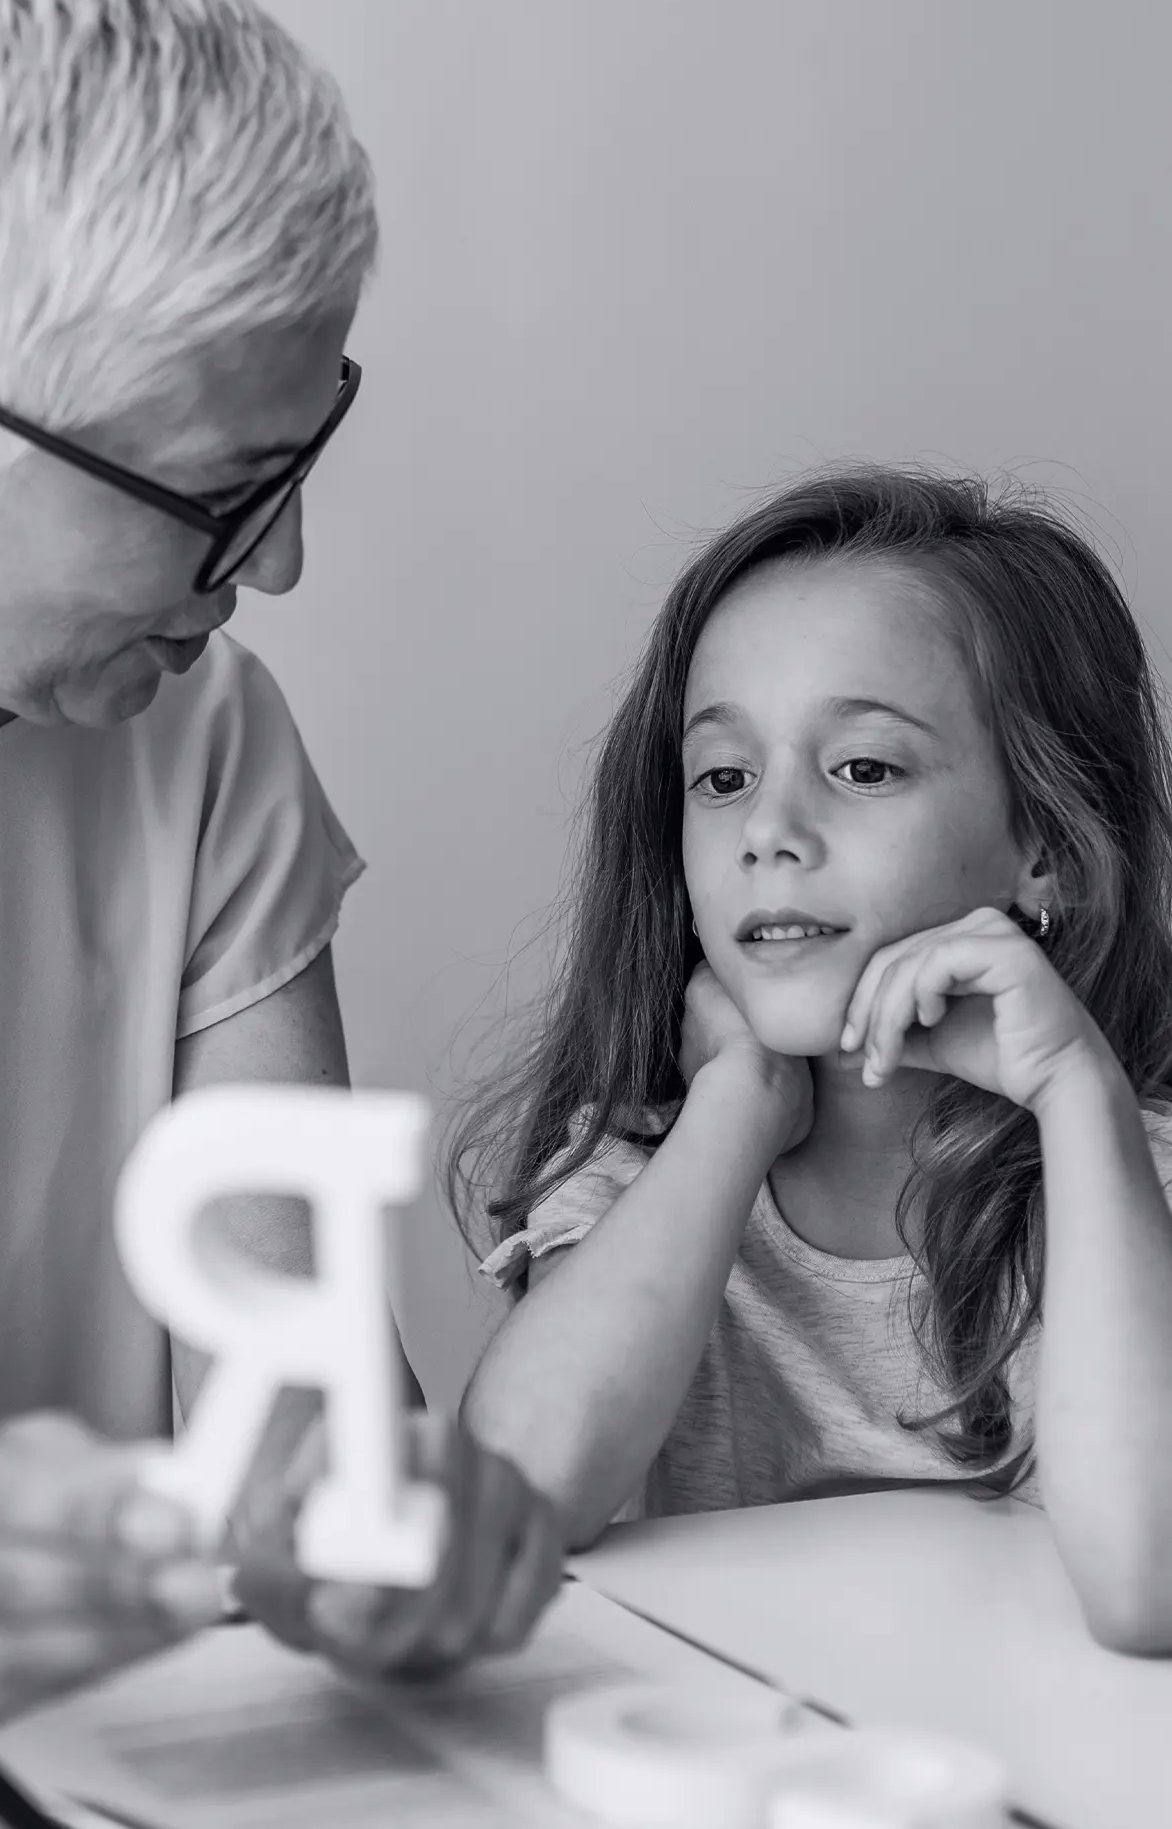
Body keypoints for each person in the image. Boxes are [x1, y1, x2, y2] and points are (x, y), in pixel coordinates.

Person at [0, 0, 561, 1735]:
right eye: (220, 487)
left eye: (300, 461)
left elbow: (298, 1415)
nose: (281, 561)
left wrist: (383, 1535)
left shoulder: (200, 737)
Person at [451, 465, 1172, 1654]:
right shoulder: (648, 1179)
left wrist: (1077, 1091)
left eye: (864, 769)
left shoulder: (1123, 1177)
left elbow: (1153, 1588)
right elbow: (505, 1505)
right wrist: (736, 1105)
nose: (770, 834)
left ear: (1049, 848)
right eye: (724, 779)